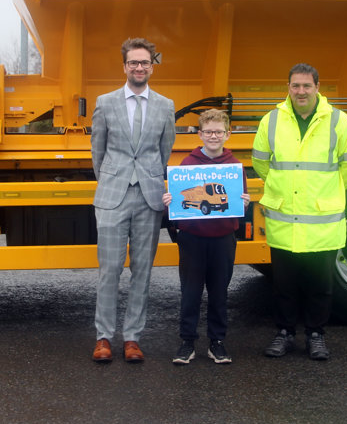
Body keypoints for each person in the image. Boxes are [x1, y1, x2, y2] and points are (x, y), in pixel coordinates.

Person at [251, 63, 347, 361]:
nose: (300, 91)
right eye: (295, 86)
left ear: (317, 87)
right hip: (284, 218)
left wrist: (327, 191)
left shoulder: (339, 121)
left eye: (306, 86)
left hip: (320, 221)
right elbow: (261, 162)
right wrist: (283, 186)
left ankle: (316, 335)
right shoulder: (271, 121)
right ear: (287, 87)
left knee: (320, 286)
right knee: (283, 285)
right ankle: (284, 334)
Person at [90, 37, 177, 363]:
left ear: (152, 65)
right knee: (109, 270)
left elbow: (164, 150)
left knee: (142, 271)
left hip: (150, 197)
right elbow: (98, 152)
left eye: (144, 62)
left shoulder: (165, 106)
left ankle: (132, 338)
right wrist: (114, 179)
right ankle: (103, 337)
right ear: (124, 66)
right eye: (133, 63)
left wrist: (149, 178)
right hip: (113, 196)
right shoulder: (106, 102)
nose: (139, 67)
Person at [162, 109, 250, 365]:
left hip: (223, 238)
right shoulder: (187, 165)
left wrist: (244, 203)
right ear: (200, 134)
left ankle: (217, 342)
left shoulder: (234, 167)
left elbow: (239, 201)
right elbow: (177, 201)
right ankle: (187, 342)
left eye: (219, 132)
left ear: (228, 134)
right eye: (209, 132)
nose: (214, 136)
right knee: (190, 291)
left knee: (219, 291)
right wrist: (169, 201)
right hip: (192, 238)